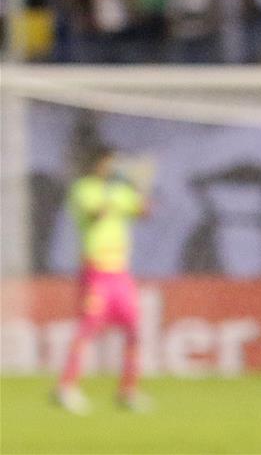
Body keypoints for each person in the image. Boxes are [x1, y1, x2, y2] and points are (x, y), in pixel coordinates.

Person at [54, 145, 150, 414]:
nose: (110, 168)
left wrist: (140, 186)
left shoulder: (123, 190)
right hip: (95, 270)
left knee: (134, 330)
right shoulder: (84, 188)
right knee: (87, 328)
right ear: (97, 164)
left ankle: (128, 391)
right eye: (107, 163)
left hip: (120, 272)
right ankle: (66, 387)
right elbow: (94, 215)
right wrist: (113, 196)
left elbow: (144, 212)